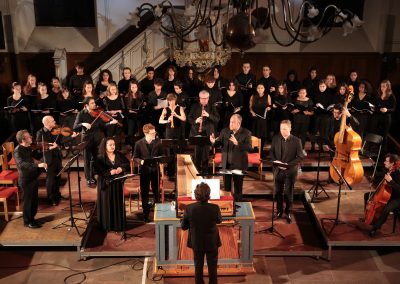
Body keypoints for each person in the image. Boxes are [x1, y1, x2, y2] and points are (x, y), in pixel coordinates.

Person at [181, 182, 222, 284]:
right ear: (209, 195)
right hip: (212, 243)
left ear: (196, 195)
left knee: (198, 267)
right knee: (212, 267)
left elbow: (183, 227)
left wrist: (183, 219)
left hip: (197, 243)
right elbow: (219, 221)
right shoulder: (215, 207)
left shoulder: (189, 208)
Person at [73, 97, 118, 186]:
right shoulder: (81, 114)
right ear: (86, 105)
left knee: (96, 159)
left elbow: (102, 126)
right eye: (92, 103)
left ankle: (95, 175)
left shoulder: (97, 113)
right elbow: (75, 127)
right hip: (87, 139)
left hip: (98, 138)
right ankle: (89, 178)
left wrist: (110, 123)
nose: (95, 105)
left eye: (94, 103)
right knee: (87, 159)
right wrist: (83, 124)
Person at [210, 114, 252, 201]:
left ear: (239, 123)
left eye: (233, 122)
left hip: (239, 165)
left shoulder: (246, 133)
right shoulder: (225, 131)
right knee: (227, 188)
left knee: (238, 187)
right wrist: (214, 142)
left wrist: (238, 143)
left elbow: (249, 147)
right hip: (226, 164)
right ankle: (228, 204)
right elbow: (219, 143)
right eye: (230, 122)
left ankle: (238, 204)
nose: (231, 124)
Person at [270, 120, 305, 224]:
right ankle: (279, 211)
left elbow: (300, 157)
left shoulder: (296, 140)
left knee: (288, 193)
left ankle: (288, 212)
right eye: (281, 128)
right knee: (278, 192)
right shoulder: (276, 138)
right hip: (278, 170)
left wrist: (288, 165)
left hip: (290, 171)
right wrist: (275, 161)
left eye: (285, 129)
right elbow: (271, 152)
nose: (282, 131)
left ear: (290, 128)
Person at [94, 137, 130, 232]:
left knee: (117, 203)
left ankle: (118, 225)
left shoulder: (118, 154)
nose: (112, 146)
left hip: (117, 183)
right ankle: (107, 226)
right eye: (110, 145)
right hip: (106, 184)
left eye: (113, 144)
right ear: (105, 146)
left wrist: (121, 169)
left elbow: (127, 163)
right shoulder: (100, 157)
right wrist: (110, 172)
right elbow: (98, 170)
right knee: (107, 203)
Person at [14, 130, 47, 228]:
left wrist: (44, 150)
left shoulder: (28, 148)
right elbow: (22, 164)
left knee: (34, 201)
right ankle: (27, 222)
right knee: (28, 202)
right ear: (23, 139)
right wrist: (37, 165)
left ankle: (32, 219)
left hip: (33, 177)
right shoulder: (18, 151)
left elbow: (33, 158)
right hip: (26, 179)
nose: (31, 138)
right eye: (29, 137)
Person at [133, 123, 165, 222]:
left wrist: (161, 159)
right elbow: (135, 157)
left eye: (154, 132)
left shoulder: (158, 142)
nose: (154, 134)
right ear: (146, 133)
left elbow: (162, 154)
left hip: (155, 171)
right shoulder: (139, 143)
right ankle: (146, 213)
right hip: (144, 171)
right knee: (145, 193)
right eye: (152, 133)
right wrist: (141, 161)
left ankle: (158, 212)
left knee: (156, 192)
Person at [367, 154, 400, 237]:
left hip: (397, 197)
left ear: (392, 163)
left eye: (386, 161)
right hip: (389, 194)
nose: (384, 162)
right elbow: (380, 176)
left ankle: (375, 228)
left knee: (386, 209)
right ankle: (368, 215)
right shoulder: (389, 170)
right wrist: (373, 179)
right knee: (367, 196)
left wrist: (391, 181)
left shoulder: (398, 173)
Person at [188, 90, 220, 175]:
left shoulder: (212, 107)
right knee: (197, 155)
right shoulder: (194, 106)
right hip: (196, 132)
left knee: (205, 155)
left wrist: (208, 115)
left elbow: (217, 119)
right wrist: (195, 121)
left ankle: (205, 173)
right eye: (202, 98)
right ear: (199, 98)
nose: (204, 100)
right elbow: (189, 118)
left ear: (208, 98)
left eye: (206, 98)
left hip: (208, 133)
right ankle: (196, 174)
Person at [36, 115, 63, 206]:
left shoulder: (54, 131)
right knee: (50, 180)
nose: (55, 122)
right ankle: (51, 198)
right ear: (47, 123)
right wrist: (51, 147)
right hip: (48, 159)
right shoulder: (40, 133)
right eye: (53, 121)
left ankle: (57, 195)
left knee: (58, 177)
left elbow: (60, 142)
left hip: (57, 157)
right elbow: (40, 148)